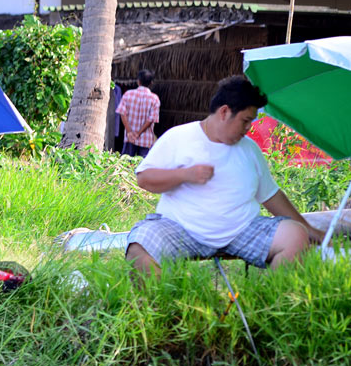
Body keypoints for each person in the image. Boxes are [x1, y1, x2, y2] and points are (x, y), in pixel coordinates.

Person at [126, 75, 324, 275]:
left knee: (295, 236)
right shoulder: (179, 137)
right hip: (181, 229)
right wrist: (184, 174)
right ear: (224, 112)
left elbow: (271, 195)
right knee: (139, 247)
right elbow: (144, 179)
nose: (249, 128)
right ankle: (161, 303)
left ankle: (267, 300)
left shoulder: (250, 149)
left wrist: (309, 230)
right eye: (245, 121)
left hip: (242, 230)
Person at [117, 69, 161, 157]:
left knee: (126, 165)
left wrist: (129, 132)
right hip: (146, 139)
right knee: (143, 166)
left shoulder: (128, 94)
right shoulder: (154, 98)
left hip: (129, 138)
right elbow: (151, 119)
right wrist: (138, 133)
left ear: (138, 81)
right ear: (151, 83)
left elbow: (122, 113)